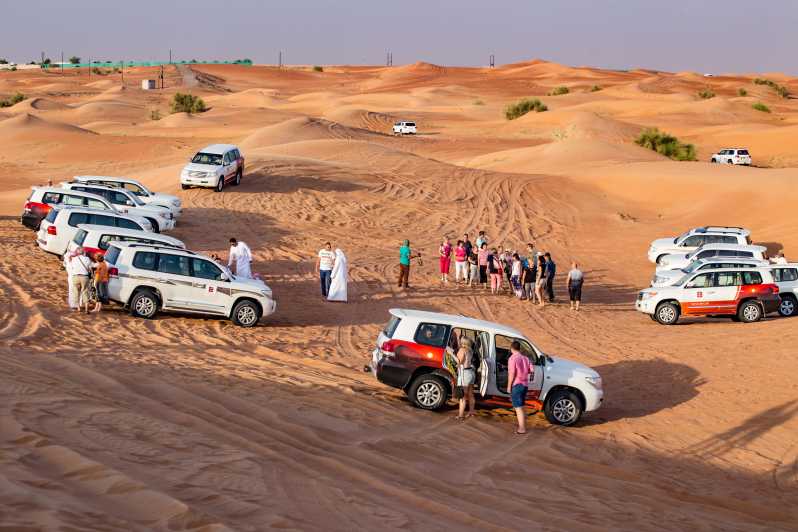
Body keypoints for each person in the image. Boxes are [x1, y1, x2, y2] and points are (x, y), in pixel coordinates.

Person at [506, 341, 532, 435]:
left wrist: (509, 386)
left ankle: (522, 428)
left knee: (518, 407)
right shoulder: (526, 358)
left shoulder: (512, 359)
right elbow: (531, 370)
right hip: (525, 385)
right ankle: (523, 425)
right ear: (519, 348)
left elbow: (511, 373)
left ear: (511, 348)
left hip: (517, 384)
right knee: (522, 405)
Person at [455, 337, 476, 420]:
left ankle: (460, 415)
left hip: (465, 374)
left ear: (463, 342)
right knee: (471, 394)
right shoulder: (470, 350)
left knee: (462, 396)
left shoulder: (462, 350)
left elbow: (460, 361)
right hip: (471, 373)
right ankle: (471, 412)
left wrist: (454, 359)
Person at [69, 247, 93, 314]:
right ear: (83, 252)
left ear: (77, 252)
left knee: (76, 292)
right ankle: (86, 309)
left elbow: (72, 266)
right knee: (85, 292)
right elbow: (90, 267)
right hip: (84, 277)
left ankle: (78, 307)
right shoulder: (87, 259)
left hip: (75, 276)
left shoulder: (74, 259)